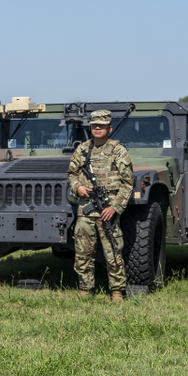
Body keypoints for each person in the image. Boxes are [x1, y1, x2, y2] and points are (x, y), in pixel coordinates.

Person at [66, 110, 132, 302]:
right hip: (85, 210)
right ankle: (85, 289)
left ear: (109, 128)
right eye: (94, 125)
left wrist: (115, 208)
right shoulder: (83, 150)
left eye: (101, 126)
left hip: (107, 211)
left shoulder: (119, 152)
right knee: (83, 252)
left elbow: (127, 184)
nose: (97, 128)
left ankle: (117, 291)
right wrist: (77, 187)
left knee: (113, 251)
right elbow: (71, 173)